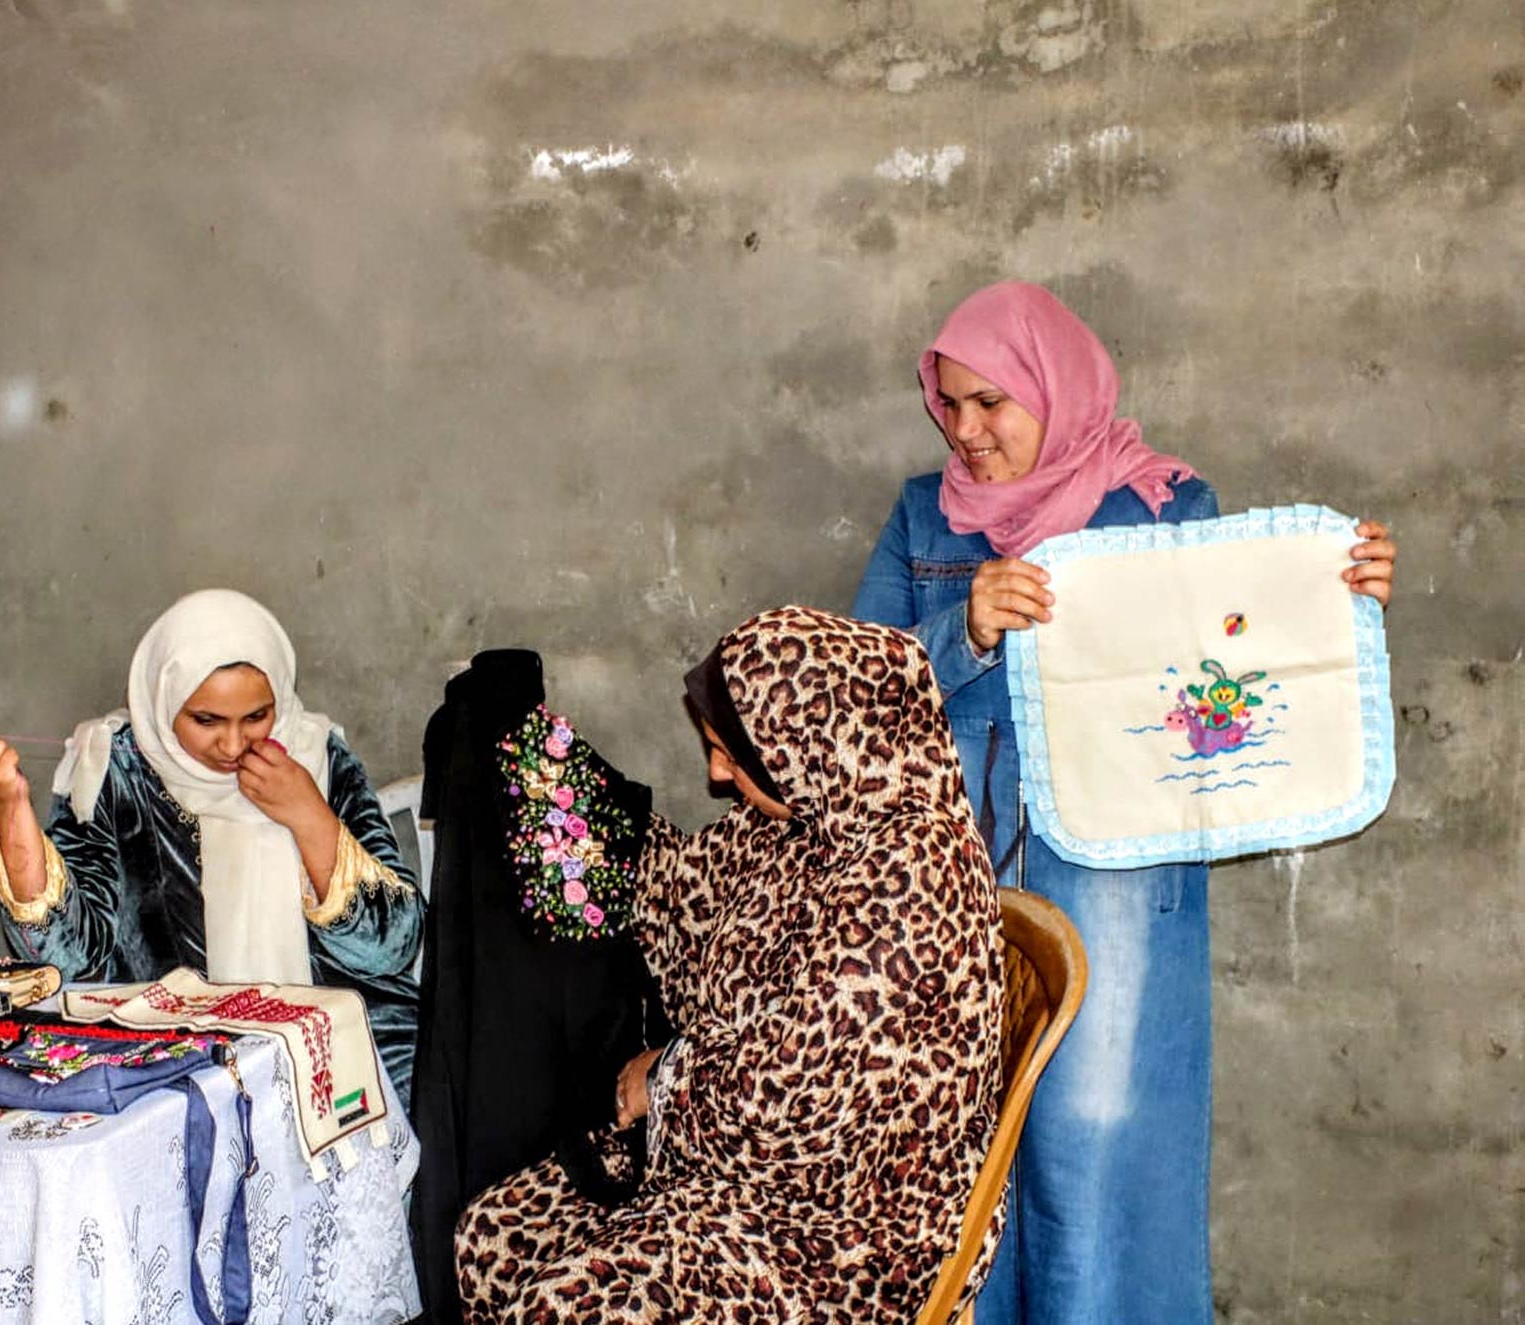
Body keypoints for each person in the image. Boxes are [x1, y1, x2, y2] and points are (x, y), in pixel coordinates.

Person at [852, 281, 1397, 1325]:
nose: (964, 432)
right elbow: (843, 697)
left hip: (1113, 872)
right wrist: (961, 629)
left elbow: (1242, 648)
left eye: (991, 403)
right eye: (949, 403)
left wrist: (1340, 589)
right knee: (954, 1152)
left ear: (1054, 393)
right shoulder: (923, 519)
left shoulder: (1159, 506)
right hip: (946, 882)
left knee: (1094, 1143)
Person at [455, 606, 1005, 1323]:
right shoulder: (811, 817)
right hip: (747, 1176)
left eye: (731, 753)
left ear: (811, 741)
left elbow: (793, 1107)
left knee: (572, 1308)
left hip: (849, 1237)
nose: (717, 773)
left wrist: (666, 1077)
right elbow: (679, 885)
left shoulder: (914, 879)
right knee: (492, 1238)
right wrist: (546, 771)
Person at [0, 588, 425, 1106]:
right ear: (164, 700)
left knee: (412, 1095)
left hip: (341, 1031)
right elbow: (69, 961)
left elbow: (395, 946)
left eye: (256, 717)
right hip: (173, 1048)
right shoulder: (118, 767)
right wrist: (10, 807)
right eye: (206, 720)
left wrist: (308, 815)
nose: (232, 745)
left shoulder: (314, 756)